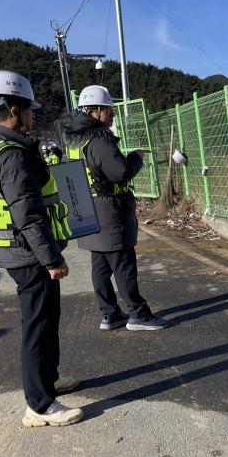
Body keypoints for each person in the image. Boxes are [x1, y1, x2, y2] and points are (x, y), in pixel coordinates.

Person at [0, 70, 82, 428]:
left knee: (47, 317)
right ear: (14, 108)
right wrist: (51, 258)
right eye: (29, 109)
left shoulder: (1, 146)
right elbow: (27, 213)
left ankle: (49, 380)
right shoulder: (11, 155)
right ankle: (38, 406)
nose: (33, 115)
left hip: (23, 251)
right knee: (37, 326)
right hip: (28, 253)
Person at [61, 85, 168, 331]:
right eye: (109, 110)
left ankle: (109, 314)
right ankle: (138, 314)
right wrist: (136, 157)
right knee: (123, 263)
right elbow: (119, 172)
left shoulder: (77, 139)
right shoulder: (98, 139)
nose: (112, 115)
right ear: (95, 111)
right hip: (109, 210)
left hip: (88, 206)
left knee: (100, 265)